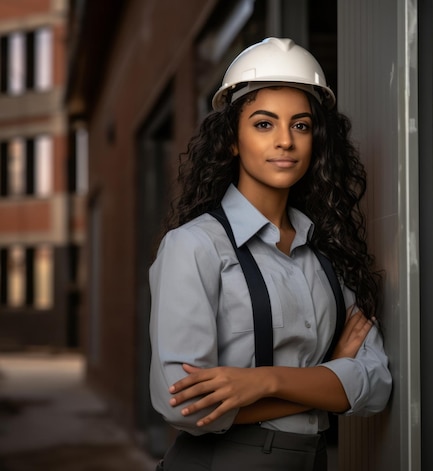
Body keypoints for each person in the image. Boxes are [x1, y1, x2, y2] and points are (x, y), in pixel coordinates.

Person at [149, 37, 392, 471]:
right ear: (232, 141)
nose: (285, 141)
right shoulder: (194, 247)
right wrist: (328, 375)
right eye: (264, 124)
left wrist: (263, 381)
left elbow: (374, 387)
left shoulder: (330, 252)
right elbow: (186, 407)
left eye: (300, 125)